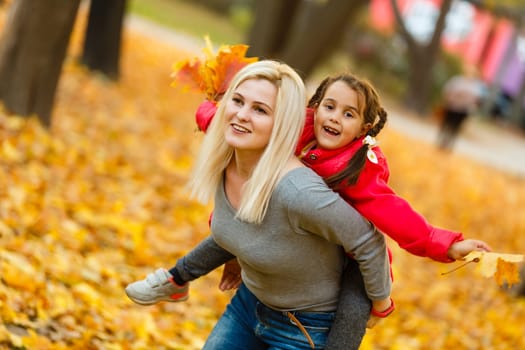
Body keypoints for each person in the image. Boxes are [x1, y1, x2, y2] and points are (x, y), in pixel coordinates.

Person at [127, 71, 492, 349]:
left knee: (354, 305)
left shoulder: (356, 171)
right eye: (329, 107)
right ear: (314, 108)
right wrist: (209, 111)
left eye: (348, 114)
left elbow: (398, 218)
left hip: (345, 257)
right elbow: (230, 119)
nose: (334, 118)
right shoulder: (293, 129)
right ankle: (176, 279)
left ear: (364, 128)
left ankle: (377, 307)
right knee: (232, 226)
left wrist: (446, 245)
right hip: (274, 250)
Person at [437, 65, 483, 150]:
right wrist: (449, 99)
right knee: (446, 124)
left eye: (472, 73)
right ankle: (442, 140)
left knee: (456, 127)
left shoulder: (476, 87)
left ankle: (449, 143)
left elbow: (477, 100)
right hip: (452, 107)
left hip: (463, 110)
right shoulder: (457, 81)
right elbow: (447, 91)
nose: (470, 74)